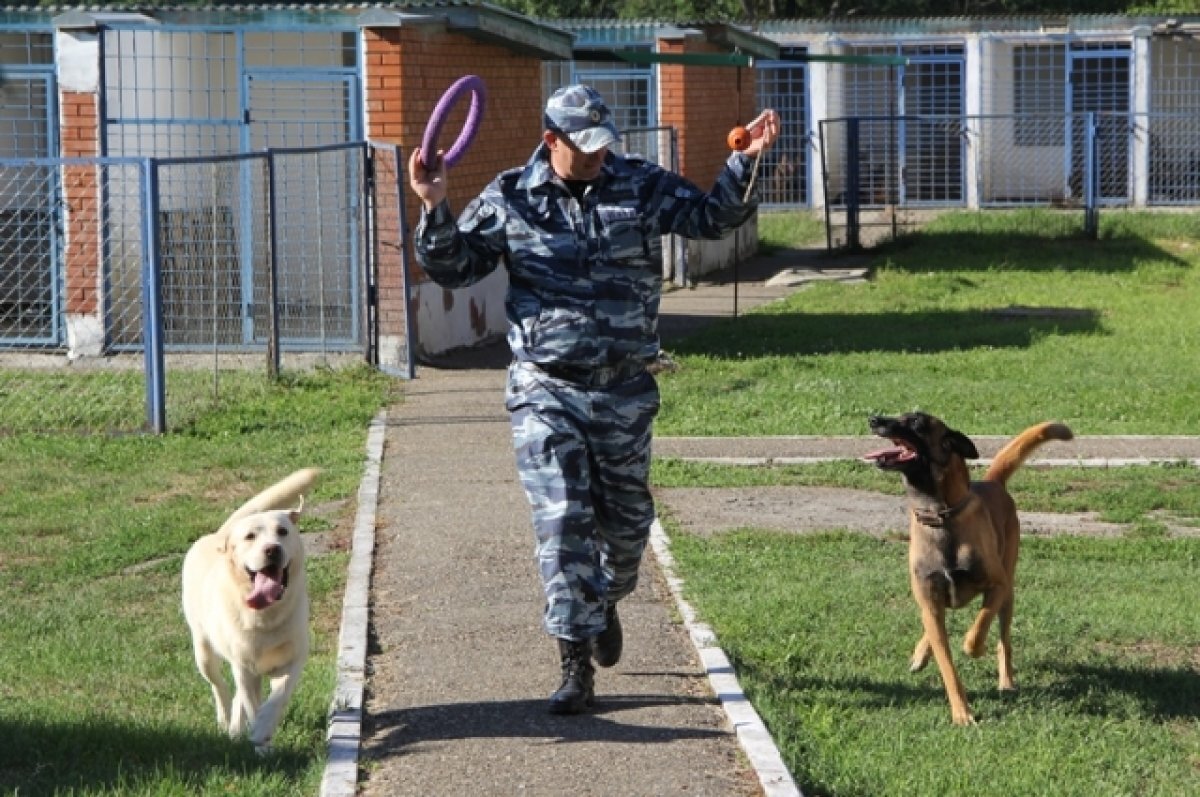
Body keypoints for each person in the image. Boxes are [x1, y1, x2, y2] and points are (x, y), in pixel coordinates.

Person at [408, 84, 780, 714]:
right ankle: (574, 664)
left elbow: (712, 217)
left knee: (628, 528)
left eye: (605, 146)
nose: (598, 159)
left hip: (625, 388)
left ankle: (605, 598)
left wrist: (746, 162)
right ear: (551, 139)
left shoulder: (638, 183)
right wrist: (434, 206)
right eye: (585, 149)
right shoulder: (511, 196)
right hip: (545, 385)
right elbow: (455, 268)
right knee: (561, 522)